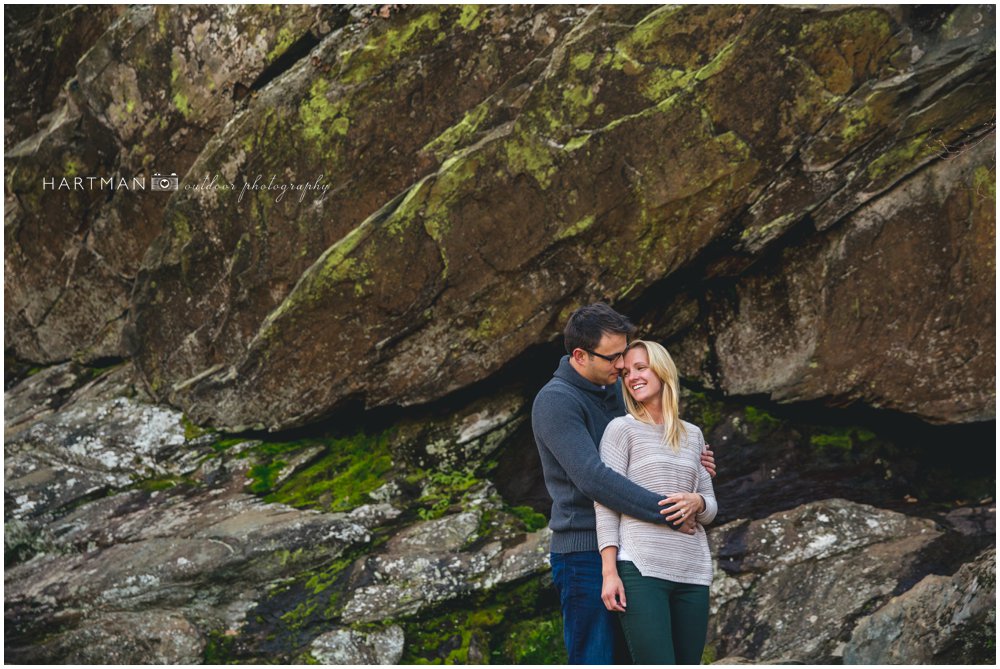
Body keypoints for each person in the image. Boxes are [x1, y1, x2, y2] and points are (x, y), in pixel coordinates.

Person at [532, 304, 716, 664]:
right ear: (581, 355)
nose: (622, 366)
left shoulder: (616, 391)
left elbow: (648, 450)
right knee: (597, 657)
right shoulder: (555, 402)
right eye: (614, 357)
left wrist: (695, 467)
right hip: (584, 550)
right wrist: (670, 511)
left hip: (633, 546)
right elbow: (593, 478)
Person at [595, 340, 717, 664]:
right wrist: (609, 572)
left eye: (641, 367)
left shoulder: (693, 435)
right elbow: (605, 502)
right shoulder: (621, 430)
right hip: (641, 569)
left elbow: (710, 508)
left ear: (662, 371)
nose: (632, 376)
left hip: (692, 572)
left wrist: (697, 502)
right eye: (627, 372)